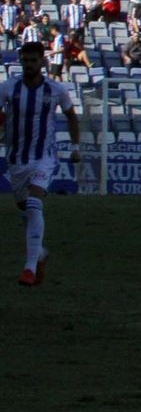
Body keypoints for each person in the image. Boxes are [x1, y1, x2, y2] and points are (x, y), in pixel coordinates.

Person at [1, 41, 82, 285]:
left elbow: (71, 116)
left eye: (33, 60)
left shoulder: (55, 89)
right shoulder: (8, 88)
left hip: (44, 157)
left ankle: (29, 268)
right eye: (25, 60)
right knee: (25, 208)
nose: (28, 65)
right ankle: (40, 254)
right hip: (16, 159)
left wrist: (76, 147)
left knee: (35, 202)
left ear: (42, 62)